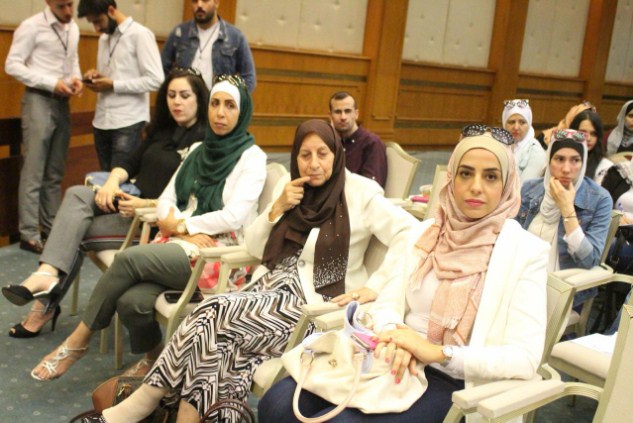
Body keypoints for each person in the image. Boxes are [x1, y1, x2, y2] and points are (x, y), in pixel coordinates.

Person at [82, 119, 416, 423]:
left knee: (211, 311)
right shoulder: (291, 187)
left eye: (322, 154)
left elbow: (412, 232)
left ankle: (139, 405)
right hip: (268, 289)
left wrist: (375, 285)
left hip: (312, 306)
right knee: (225, 350)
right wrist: (277, 208)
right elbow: (255, 248)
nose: (313, 164)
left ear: (336, 154)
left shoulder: (360, 193)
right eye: (305, 155)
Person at [258, 124, 550, 422]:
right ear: (451, 179)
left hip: (454, 379)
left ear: (507, 183)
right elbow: (388, 302)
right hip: (392, 356)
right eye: (466, 173)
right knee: (276, 404)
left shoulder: (525, 253)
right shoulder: (427, 232)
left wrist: (435, 352)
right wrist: (396, 336)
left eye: (490, 176)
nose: (476, 186)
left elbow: (525, 359)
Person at [29, 74, 267, 382]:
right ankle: (154, 359)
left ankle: (76, 342)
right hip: (183, 240)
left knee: (128, 259)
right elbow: (167, 199)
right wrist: (180, 228)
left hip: (219, 253)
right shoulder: (198, 150)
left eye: (230, 106)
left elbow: (233, 216)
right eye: (215, 104)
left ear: (243, 111)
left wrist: (180, 223)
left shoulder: (252, 158)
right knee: (132, 303)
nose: (220, 113)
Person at [1, 68, 208, 339]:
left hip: (152, 223)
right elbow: (129, 163)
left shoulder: (204, 142)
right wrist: (112, 182)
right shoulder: (162, 131)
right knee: (77, 193)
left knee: (76, 229)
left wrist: (145, 204)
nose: (176, 102)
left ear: (199, 99)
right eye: (171, 95)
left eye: (184, 96)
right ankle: (47, 272)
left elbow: (191, 200)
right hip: (128, 205)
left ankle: (44, 305)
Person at [4, 0, 83, 254]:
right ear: (48, 2)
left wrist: (76, 79)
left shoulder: (73, 28)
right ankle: (29, 234)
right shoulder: (32, 26)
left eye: (71, 5)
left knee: (55, 171)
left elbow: (73, 60)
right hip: (38, 99)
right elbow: (12, 64)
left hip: (63, 101)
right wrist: (50, 82)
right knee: (34, 170)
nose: (68, 12)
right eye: (62, 7)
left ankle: (51, 228)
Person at [518, 129, 611, 306]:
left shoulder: (599, 199)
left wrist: (567, 208)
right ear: (549, 160)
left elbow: (589, 261)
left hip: (562, 290)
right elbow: (512, 239)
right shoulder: (530, 189)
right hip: (520, 278)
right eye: (559, 159)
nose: (566, 169)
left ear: (583, 162)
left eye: (575, 160)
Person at [78, 0, 164, 170]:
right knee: (104, 179)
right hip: (101, 120)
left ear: (111, 10)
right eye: (92, 23)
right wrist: (95, 76)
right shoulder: (104, 38)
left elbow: (156, 79)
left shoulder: (140, 34)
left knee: (120, 181)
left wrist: (114, 85)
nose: (96, 28)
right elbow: (111, 75)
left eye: (98, 21)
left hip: (128, 121)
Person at [161, 0, 256, 92]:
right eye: (195, 1)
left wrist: (235, 98)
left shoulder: (235, 36)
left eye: (205, 0)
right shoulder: (180, 33)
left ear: (216, 2)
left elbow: (249, 76)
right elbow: (162, 68)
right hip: (185, 99)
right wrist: (172, 92)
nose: (199, 5)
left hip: (218, 100)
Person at [329, 91, 387, 188]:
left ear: (356, 114)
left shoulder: (372, 143)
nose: (343, 117)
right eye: (338, 112)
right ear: (330, 116)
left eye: (348, 111)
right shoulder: (332, 141)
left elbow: (372, 186)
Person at [502, 99, 546, 182]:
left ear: (529, 123)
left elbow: (524, 186)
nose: (516, 127)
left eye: (522, 122)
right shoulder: (498, 144)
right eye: (511, 122)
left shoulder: (535, 152)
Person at [569, 109, 611, 184]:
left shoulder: (605, 166)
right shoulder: (559, 158)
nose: (588, 139)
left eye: (593, 134)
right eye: (582, 133)